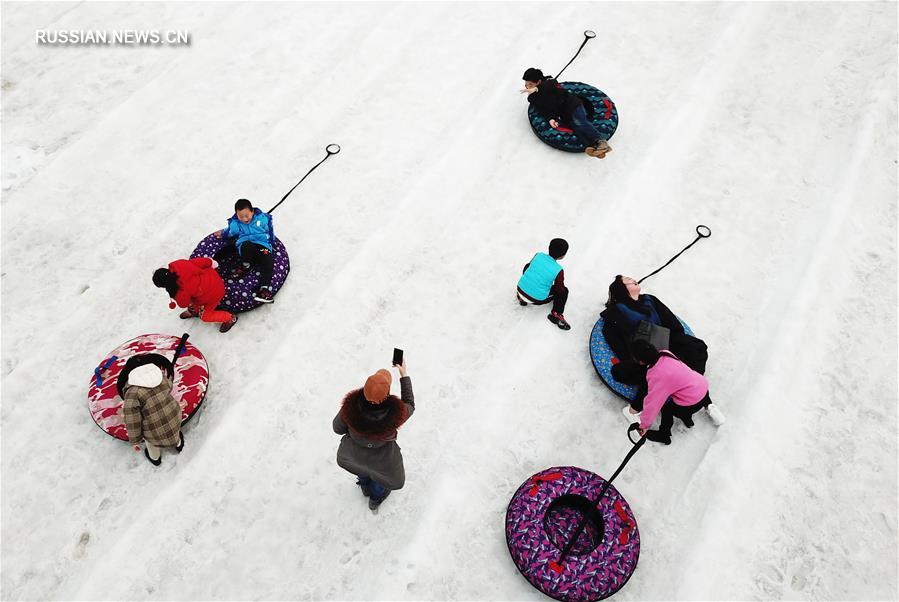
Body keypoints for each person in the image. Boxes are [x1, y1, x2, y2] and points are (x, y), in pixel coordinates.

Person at [601, 274, 710, 422]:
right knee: (655, 372)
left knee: (698, 347)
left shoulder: (650, 300)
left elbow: (671, 322)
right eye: (628, 280)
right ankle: (636, 408)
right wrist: (640, 357)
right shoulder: (615, 315)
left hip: (668, 343)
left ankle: (693, 387)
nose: (633, 280)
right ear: (622, 289)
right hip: (644, 354)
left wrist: (672, 343)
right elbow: (620, 346)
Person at [333, 361, 415, 511]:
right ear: (387, 394)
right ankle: (375, 499)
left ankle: (364, 486)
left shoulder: (350, 408)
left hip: (354, 455)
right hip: (383, 461)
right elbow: (409, 403)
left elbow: (337, 428)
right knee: (380, 478)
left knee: (361, 469)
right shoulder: (396, 415)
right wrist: (404, 375)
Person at [632, 340, 726, 445]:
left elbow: (653, 403)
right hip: (703, 387)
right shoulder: (665, 353)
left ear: (641, 362)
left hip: (691, 403)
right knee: (692, 389)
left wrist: (644, 425)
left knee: (667, 409)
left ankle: (664, 435)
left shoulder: (656, 375)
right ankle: (705, 409)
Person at [521, 67, 612, 159]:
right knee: (575, 127)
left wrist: (537, 89)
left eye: (530, 84)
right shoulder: (533, 98)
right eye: (526, 84)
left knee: (579, 121)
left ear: (539, 82)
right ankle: (595, 147)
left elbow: (551, 84)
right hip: (565, 115)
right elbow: (543, 109)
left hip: (573, 105)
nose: (527, 87)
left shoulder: (549, 81)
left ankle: (601, 142)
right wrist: (551, 119)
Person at [119, 354, 185, 466]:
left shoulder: (132, 393)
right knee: (175, 432)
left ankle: (155, 458)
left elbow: (132, 420)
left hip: (154, 432)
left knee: (151, 443)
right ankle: (179, 444)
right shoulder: (160, 378)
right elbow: (169, 386)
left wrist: (135, 441)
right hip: (175, 418)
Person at [213, 198, 276, 304]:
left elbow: (270, 230)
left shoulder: (262, 219)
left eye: (246, 215)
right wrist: (223, 233)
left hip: (262, 245)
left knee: (268, 258)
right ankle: (246, 265)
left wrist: (271, 243)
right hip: (245, 245)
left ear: (252, 211)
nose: (244, 219)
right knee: (245, 246)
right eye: (241, 216)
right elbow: (230, 231)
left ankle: (263, 289)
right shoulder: (236, 224)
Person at [153, 257, 238, 333]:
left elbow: (183, 304)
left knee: (205, 316)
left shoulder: (178, 290)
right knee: (192, 296)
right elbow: (200, 262)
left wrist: (172, 293)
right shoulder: (178, 265)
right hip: (213, 276)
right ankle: (194, 311)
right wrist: (211, 262)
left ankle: (230, 318)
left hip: (215, 294)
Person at [517, 238, 571, 330]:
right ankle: (556, 313)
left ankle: (522, 297)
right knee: (564, 291)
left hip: (520, 289)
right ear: (562, 256)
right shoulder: (558, 269)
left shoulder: (538, 255)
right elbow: (559, 289)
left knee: (528, 266)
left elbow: (529, 268)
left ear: (549, 248)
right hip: (535, 299)